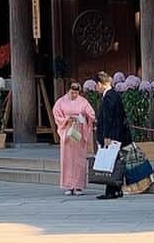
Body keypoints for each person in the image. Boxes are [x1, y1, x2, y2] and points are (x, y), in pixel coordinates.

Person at [93, 71, 132, 201]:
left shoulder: (109, 96)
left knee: (109, 162)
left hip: (112, 134)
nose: (96, 88)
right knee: (115, 161)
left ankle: (111, 190)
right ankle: (117, 189)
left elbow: (109, 118)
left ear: (100, 84)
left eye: (96, 85)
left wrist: (107, 135)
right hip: (117, 133)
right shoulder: (114, 94)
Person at [52, 80, 94, 196]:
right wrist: (66, 119)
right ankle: (68, 185)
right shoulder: (61, 102)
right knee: (68, 160)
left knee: (79, 160)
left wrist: (83, 119)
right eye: (72, 93)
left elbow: (91, 114)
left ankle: (79, 186)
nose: (74, 95)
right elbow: (56, 114)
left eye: (76, 93)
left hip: (79, 132)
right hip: (67, 131)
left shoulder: (83, 102)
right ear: (68, 91)